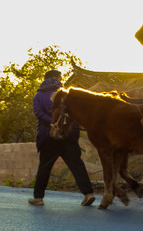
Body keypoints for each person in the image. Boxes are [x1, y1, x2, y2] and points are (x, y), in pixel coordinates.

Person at [29, 70, 95, 206]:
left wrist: (52, 123)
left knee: (44, 167)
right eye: (60, 77)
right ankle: (88, 194)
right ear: (56, 78)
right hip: (67, 135)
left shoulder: (38, 95)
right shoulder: (66, 94)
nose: (61, 79)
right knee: (76, 164)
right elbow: (74, 114)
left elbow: (38, 114)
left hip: (48, 137)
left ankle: (38, 198)